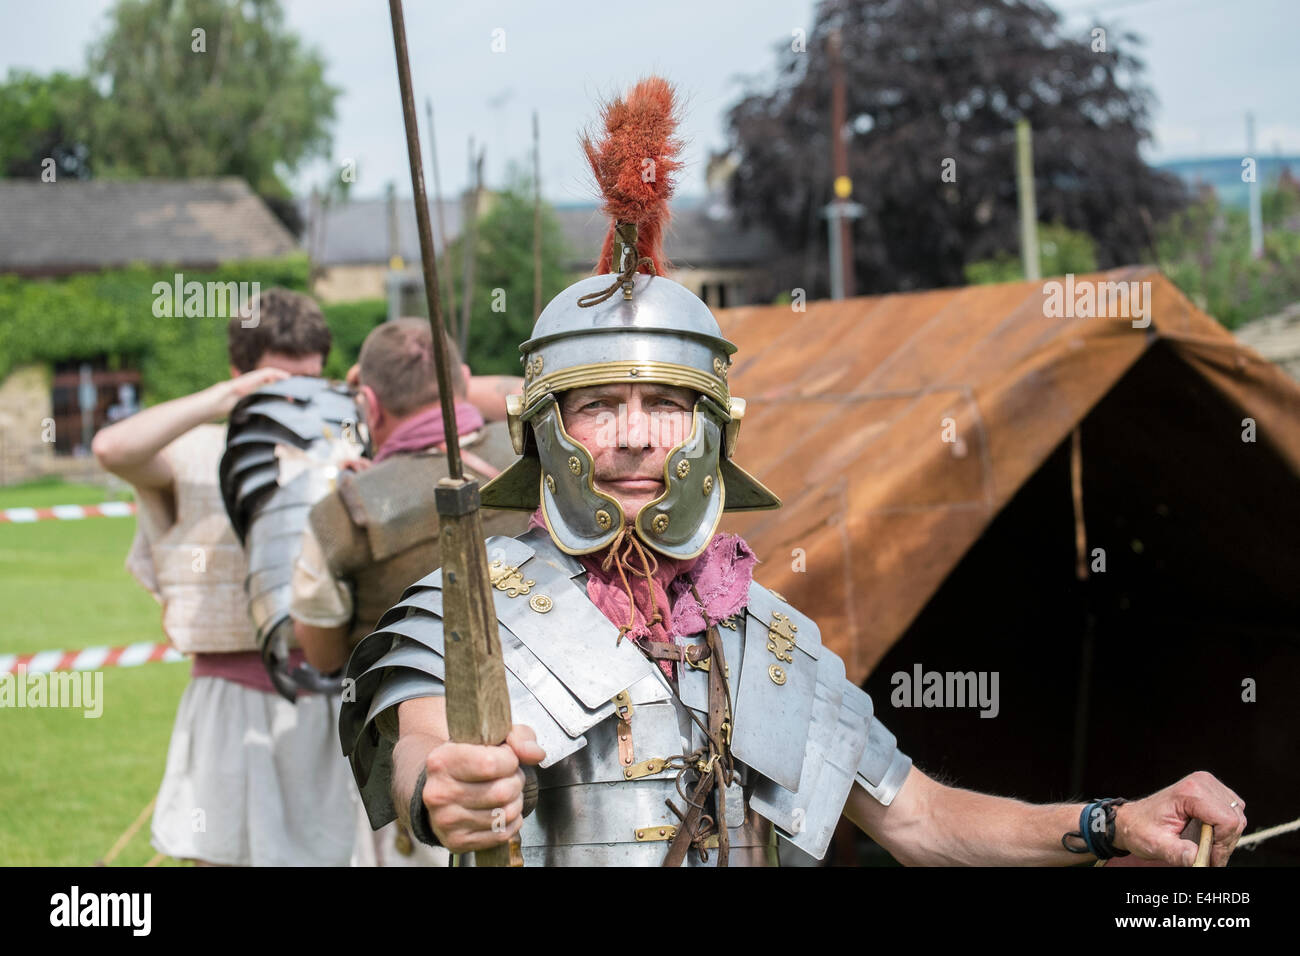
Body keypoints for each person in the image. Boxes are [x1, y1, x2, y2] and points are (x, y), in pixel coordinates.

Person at [338, 78, 1247, 867]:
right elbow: (425, 747)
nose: (631, 437)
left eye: (665, 406)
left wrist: (1110, 822)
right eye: (595, 406)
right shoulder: (468, 612)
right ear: (543, 431)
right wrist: (440, 791)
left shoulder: (768, 635)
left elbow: (922, 820)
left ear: (714, 433)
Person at [93, 288, 358, 866]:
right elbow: (112, 449)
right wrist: (228, 399)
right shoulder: (197, 451)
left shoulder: (343, 445)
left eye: (308, 381)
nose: (295, 398)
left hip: (328, 700)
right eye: (276, 383)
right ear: (240, 372)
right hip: (231, 705)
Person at [289, 317, 530, 866]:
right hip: (552, 748)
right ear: (464, 381)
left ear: (369, 405)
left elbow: (325, 655)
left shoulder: (341, 513)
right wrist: (459, 384)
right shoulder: (544, 453)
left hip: (416, 774)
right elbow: (534, 389)